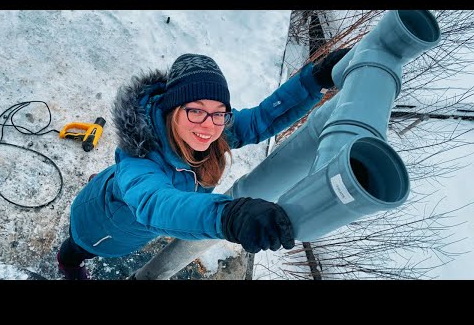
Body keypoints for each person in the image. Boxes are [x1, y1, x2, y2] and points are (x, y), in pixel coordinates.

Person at [57, 50, 350, 280]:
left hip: (124, 203)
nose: (209, 126)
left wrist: (314, 81)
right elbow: (155, 203)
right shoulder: (139, 160)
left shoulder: (212, 133)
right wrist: (228, 216)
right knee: (78, 249)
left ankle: (106, 187)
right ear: (172, 109)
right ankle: (67, 263)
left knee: (120, 190)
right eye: (195, 110)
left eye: (219, 113)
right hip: (101, 228)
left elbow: (262, 119)